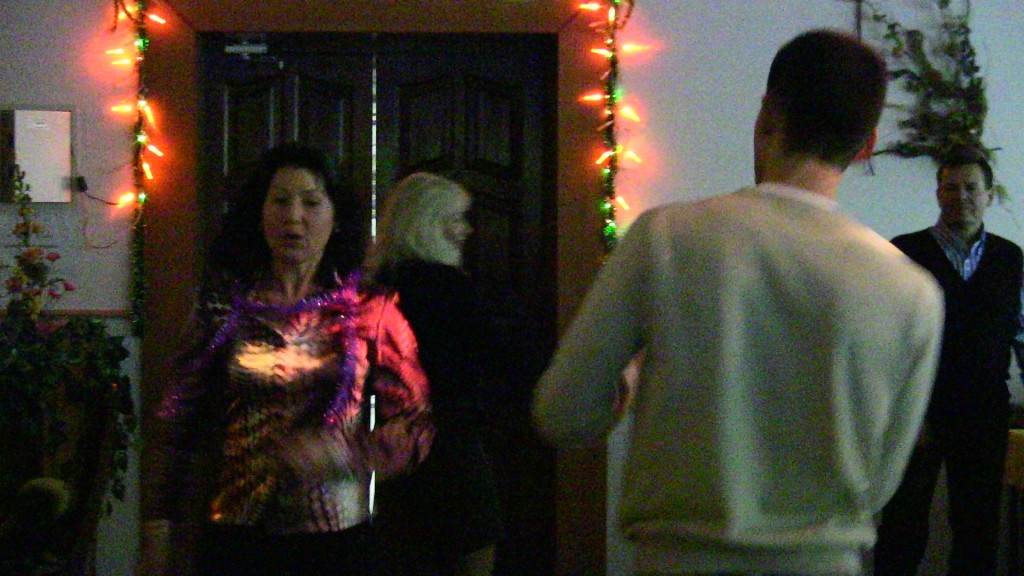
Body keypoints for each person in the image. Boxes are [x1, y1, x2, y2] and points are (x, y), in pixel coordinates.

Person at [531, 29, 945, 576]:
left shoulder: (664, 237)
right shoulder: (913, 292)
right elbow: (881, 483)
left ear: (767, 116)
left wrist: (629, 381)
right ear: (866, 145)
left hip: (677, 564)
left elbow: (562, 414)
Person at [139, 144, 435, 576]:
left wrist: (346, 454)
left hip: (334, 538)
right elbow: (178, 417)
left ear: (336, 218)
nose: (293, 217)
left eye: (311, 203)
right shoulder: (223, 306)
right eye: (279, 201)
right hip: (235, 533)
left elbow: (415, 420)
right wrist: (158, 521)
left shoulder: (370, 309)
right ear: (259, 214)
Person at [874, 145, 1023, 576]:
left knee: (978, 531)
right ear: (938, 194)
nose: (962, 196)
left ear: (990, 194)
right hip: (918, 412)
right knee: (902, 528)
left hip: (985, 412)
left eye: (971, 187)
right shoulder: (904, 252)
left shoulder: (1010, 258)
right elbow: (886, 339)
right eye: (951, 188)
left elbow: (1020, 332)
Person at [365, 172, 504, 576]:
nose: (467, 230)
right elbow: (497, 356)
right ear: (428, 223)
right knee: (474, 552)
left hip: (396, 447)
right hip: (452, 444)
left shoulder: (377, 288)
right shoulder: (449, 287)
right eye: (456, 218)